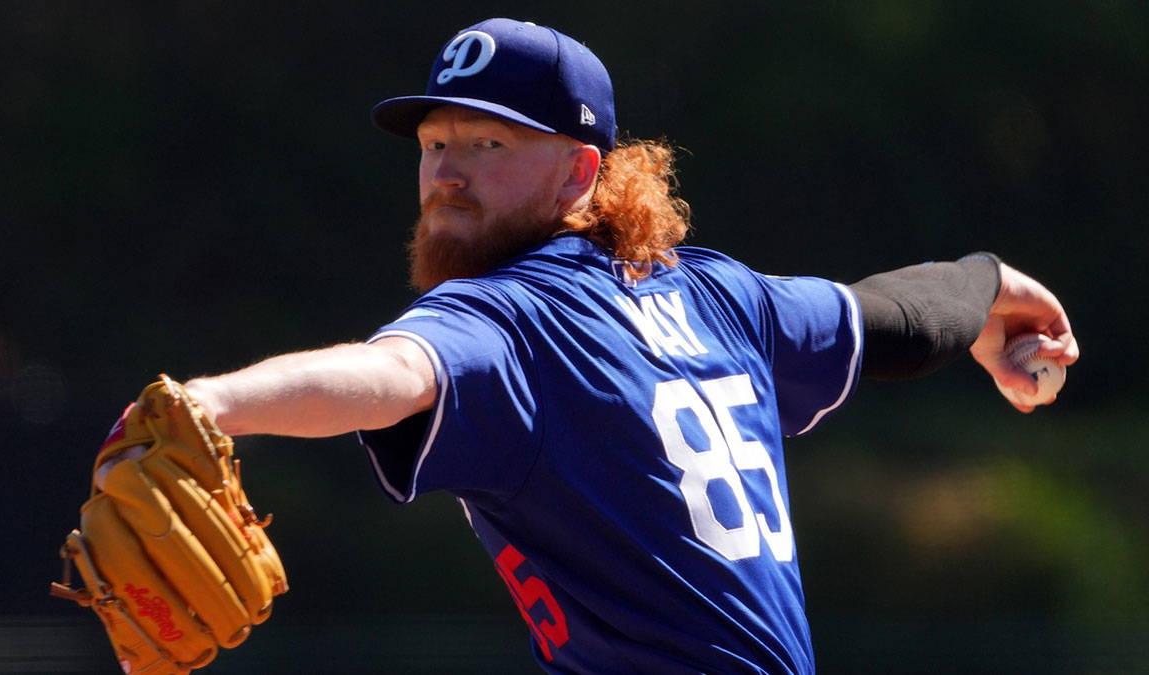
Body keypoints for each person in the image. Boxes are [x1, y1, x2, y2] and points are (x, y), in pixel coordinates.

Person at [160, 18, 1077, 674]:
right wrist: (987, 285)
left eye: (486, 141)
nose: (445, 172)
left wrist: (212, 402)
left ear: (581, 169)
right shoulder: (719, 295)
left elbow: (389, 373)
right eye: (435, 143)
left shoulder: (506, 318)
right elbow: (891, 319)